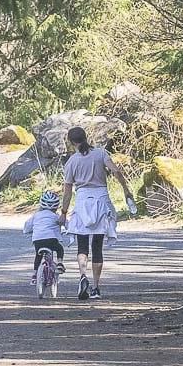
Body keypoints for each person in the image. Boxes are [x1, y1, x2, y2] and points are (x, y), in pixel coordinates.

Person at [58, 126, 135, 301]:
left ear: (71, 142)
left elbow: (68, 191)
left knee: (82, 245)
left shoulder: (71, 162)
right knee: (97, 246)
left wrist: (63, 212)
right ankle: (96, 287)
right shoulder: (100, 154)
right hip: (101, 200)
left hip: (83, 201)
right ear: (85, 138)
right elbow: (116, 171)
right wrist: (126, 190)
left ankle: (82, 275)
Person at [24, 190, 66, 280]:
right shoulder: (56, 216)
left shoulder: (36, 215)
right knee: (59, 248)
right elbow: (66, 223)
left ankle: (35, 275)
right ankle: (59, 263)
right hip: (52, 240)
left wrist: (28, 231)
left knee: (38, 256)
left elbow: (27, 227)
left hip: (37, 240)